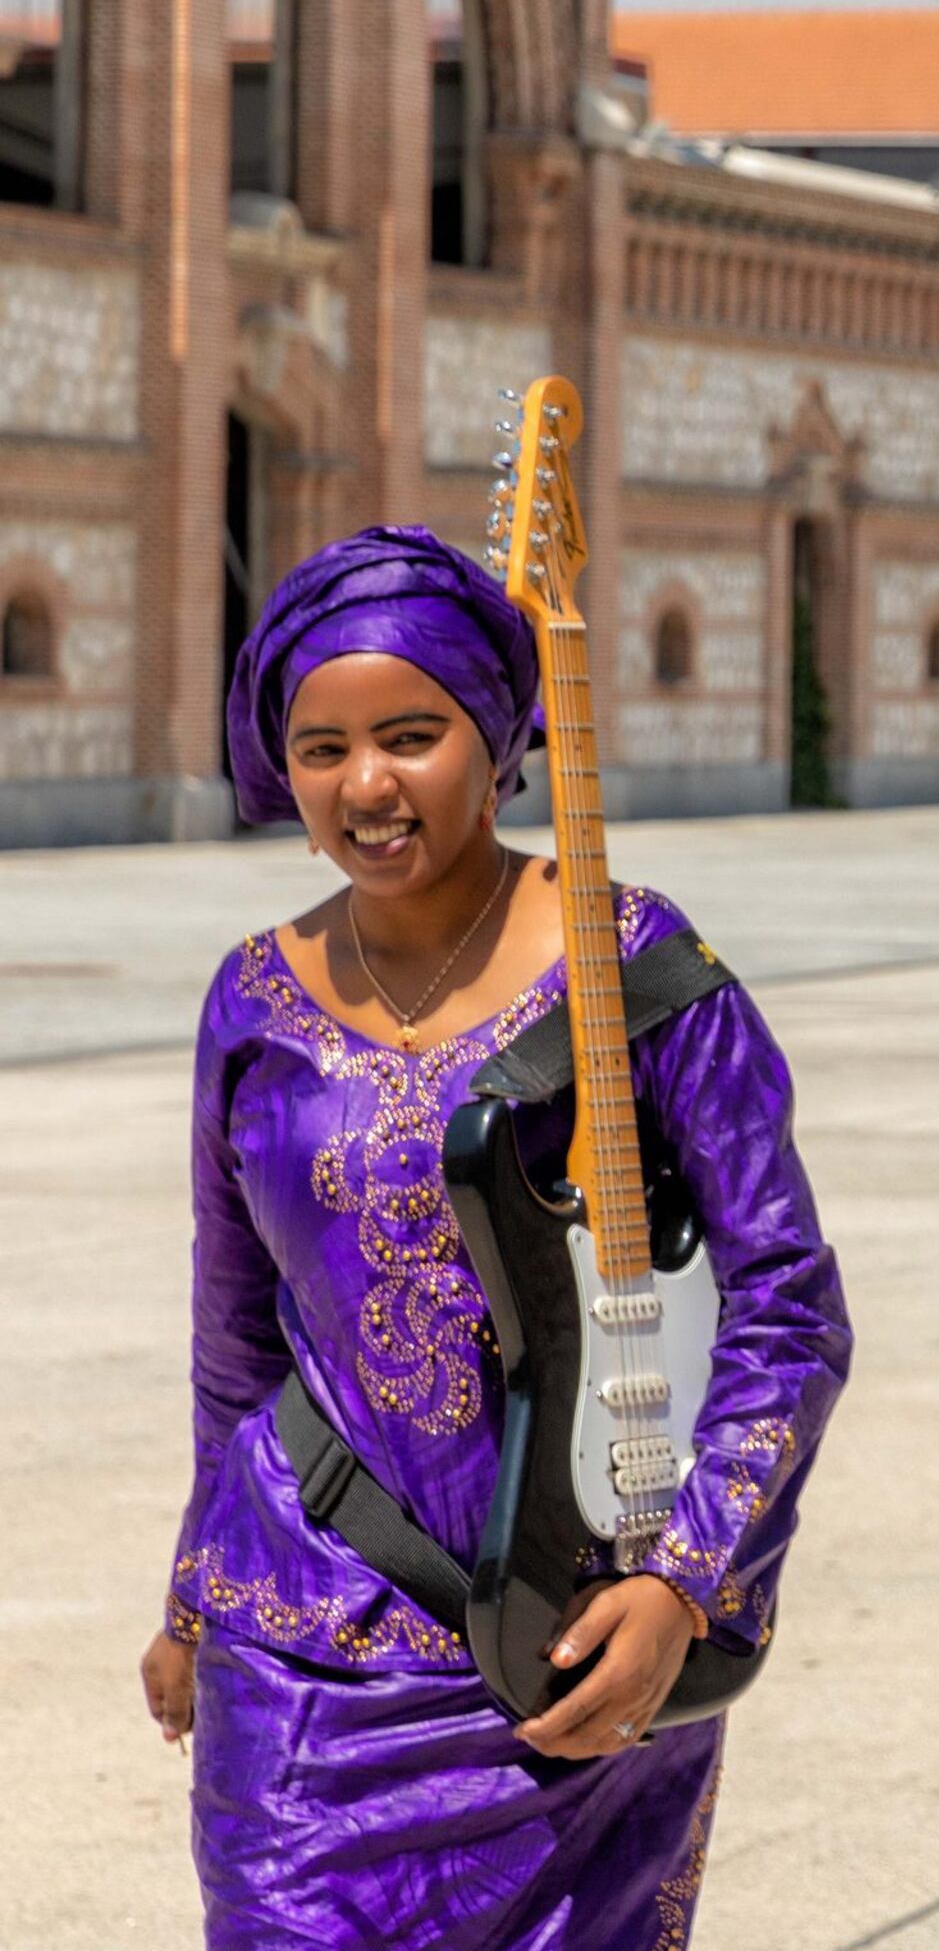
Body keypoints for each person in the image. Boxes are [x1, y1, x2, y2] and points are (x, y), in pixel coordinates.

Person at [144, 527, 853, 1949]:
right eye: (321, 747)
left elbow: (788, 1308)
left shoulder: (636, 974)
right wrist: (192, 1598)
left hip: (570, 1654)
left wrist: (686, 1582)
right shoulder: (252, 1004)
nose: (368, 786)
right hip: (299, 1657)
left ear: (501, 734)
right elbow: (237, 1344)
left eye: (412, 736)